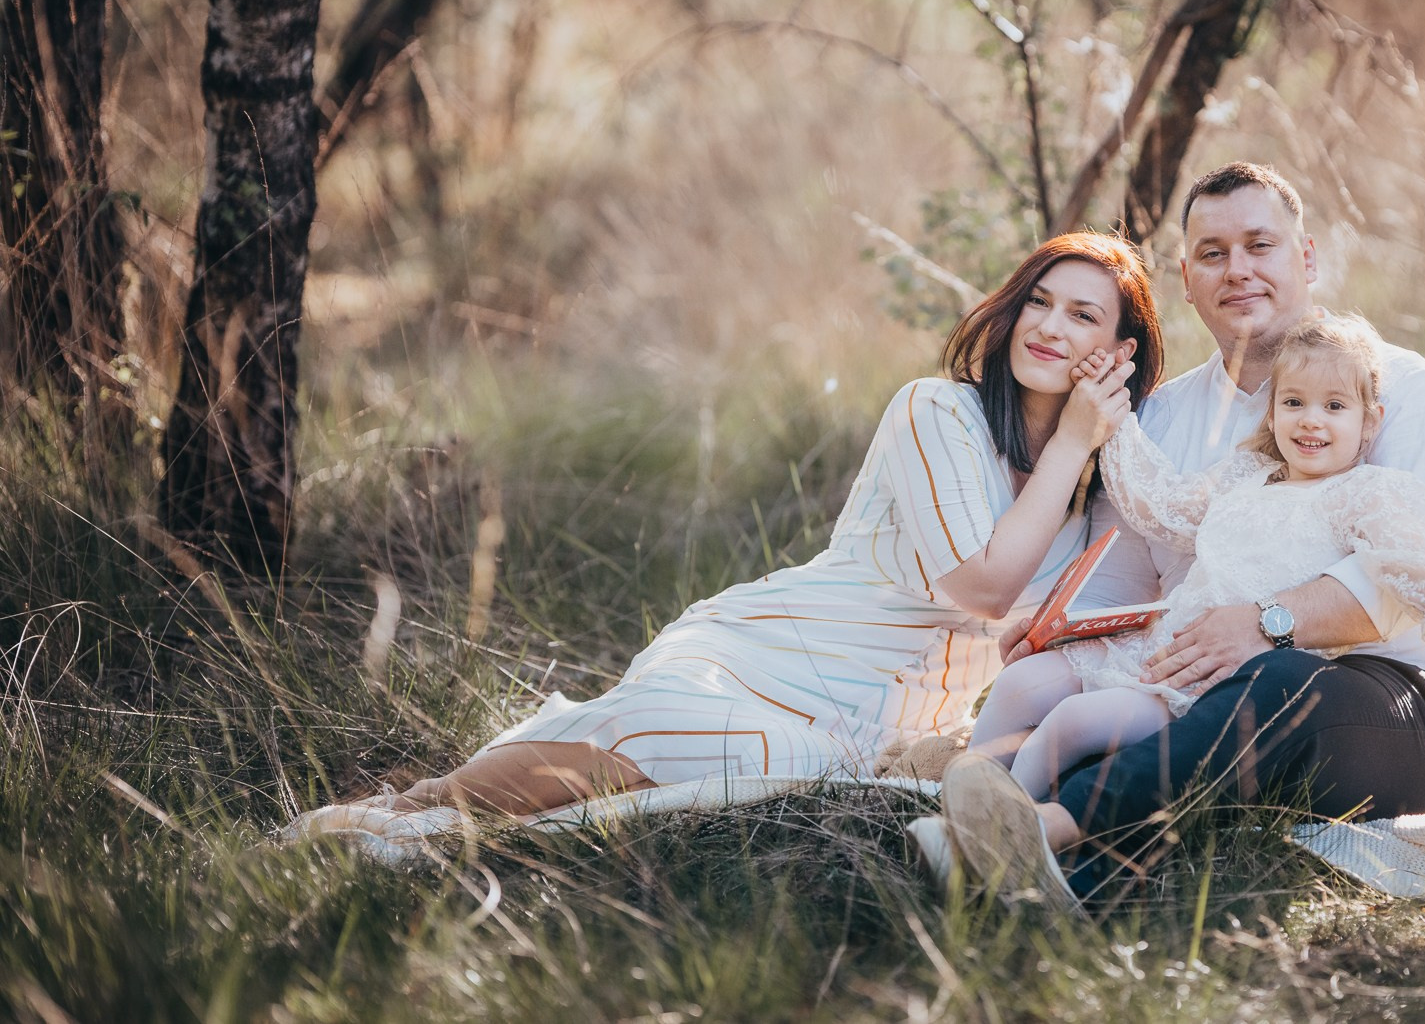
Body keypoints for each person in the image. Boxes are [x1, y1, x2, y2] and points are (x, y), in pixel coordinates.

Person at [289, 233, 1164, 839]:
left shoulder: (1094, 508)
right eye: (1039, 301)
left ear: (1123, 353)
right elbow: (981, 589)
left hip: (888, 727)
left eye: (1085, 316)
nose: (1050, 326)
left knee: (806, 773)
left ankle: (457, 819)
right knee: (726, 738)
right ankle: (423, 801)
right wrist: (1075, 443)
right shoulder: (936, 411)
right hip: (771, 653)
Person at [921, 162, 1425, 907]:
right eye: (1213, 253)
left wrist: (1270, 623)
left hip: (1377, 708)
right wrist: (1063, 631)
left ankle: (1041, 831)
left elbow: (1411, 575)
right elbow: (1125, 569)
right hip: (1194, 695)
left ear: (1305, 256)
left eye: (1259, 245)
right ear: (1186, 275)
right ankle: (1018, 867)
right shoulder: (1166, 419)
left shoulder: (1403, 393)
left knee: (1272, 678)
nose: (1238, 270)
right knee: (1094, 707)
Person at [971, 314, 1425, 803]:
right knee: (1022, 684)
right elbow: (1163, 506)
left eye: (1334, 406)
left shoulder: (1364, 494)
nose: (1311, 421)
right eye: (1294, 403)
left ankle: (1008, 832)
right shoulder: (1248, 475)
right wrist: (1114, 419)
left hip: (1224, 678)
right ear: (1273, 413)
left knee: (1073, 723)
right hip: (1168, 642)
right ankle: (962, 801)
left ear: (1369, 421)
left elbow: (1414, 558)